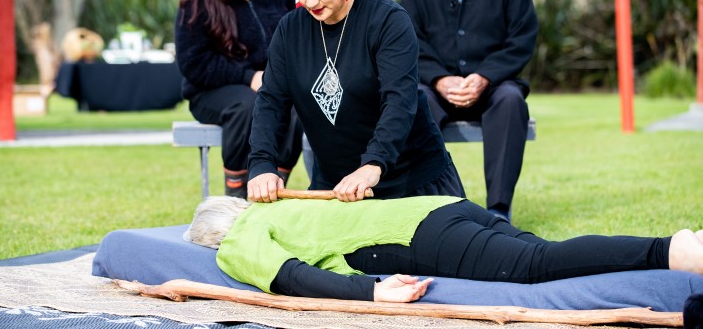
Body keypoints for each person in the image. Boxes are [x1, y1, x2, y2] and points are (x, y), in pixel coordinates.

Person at [247, 0, 465, 203]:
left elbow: (399, 101)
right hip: (337, 187)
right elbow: (271, 102)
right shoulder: (290, 31)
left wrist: (373, 164)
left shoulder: (388, 21)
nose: (310, 2)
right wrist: (262, 163)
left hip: (410, 180)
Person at [184, 195, 703, 303]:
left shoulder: (239, 238)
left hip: (418, 238)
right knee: (547, 253)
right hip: (442, 208)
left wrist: (371, 294)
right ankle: (670, 249)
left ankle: (672, 250)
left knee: (537, 265)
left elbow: (292, 278)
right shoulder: (277, 209)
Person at [401, 0, 539, 223]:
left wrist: (484, 76)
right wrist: (439, 80)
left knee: (511, 100)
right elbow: (409, 41)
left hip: (492, 87)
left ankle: (499, 210)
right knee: (414, 102)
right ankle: (429, 208)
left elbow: (522, 37)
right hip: (436, 87)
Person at [175, 0, 303, 199]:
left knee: (295, 105)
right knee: (248, 105)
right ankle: (236, 195)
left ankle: (273, 188)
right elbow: (193, 63)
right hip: (211, 91)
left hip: (268, 83)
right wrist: (248, 77)